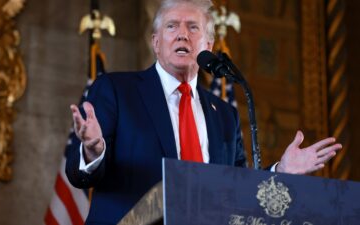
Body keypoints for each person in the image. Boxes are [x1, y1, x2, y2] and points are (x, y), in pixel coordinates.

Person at [66, 0, 342, 224]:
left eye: (193, 27)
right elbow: (81, 176)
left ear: (208, 46)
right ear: (156, 42)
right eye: (172, 26)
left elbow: (237, 189)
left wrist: (280, 171)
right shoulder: (117, 90)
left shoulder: (224, 114)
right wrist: (93, 149)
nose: (182, 34)